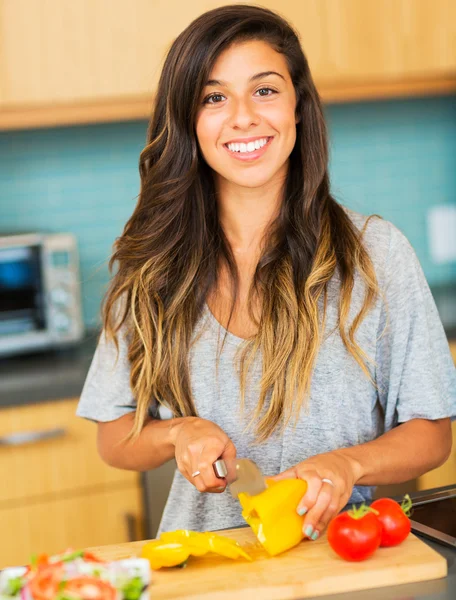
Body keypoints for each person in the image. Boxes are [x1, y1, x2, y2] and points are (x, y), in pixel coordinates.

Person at [76, 4, 456, 542]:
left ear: (298, 105)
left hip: (344, 562)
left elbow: (432, 434)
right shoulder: (151, 266)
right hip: (205, 568)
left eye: (265, 90)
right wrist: (179, 433)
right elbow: (115, 437)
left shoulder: (377, 255)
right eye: (213, 97)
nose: (243, 117)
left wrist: (350, 465)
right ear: (189, 119)